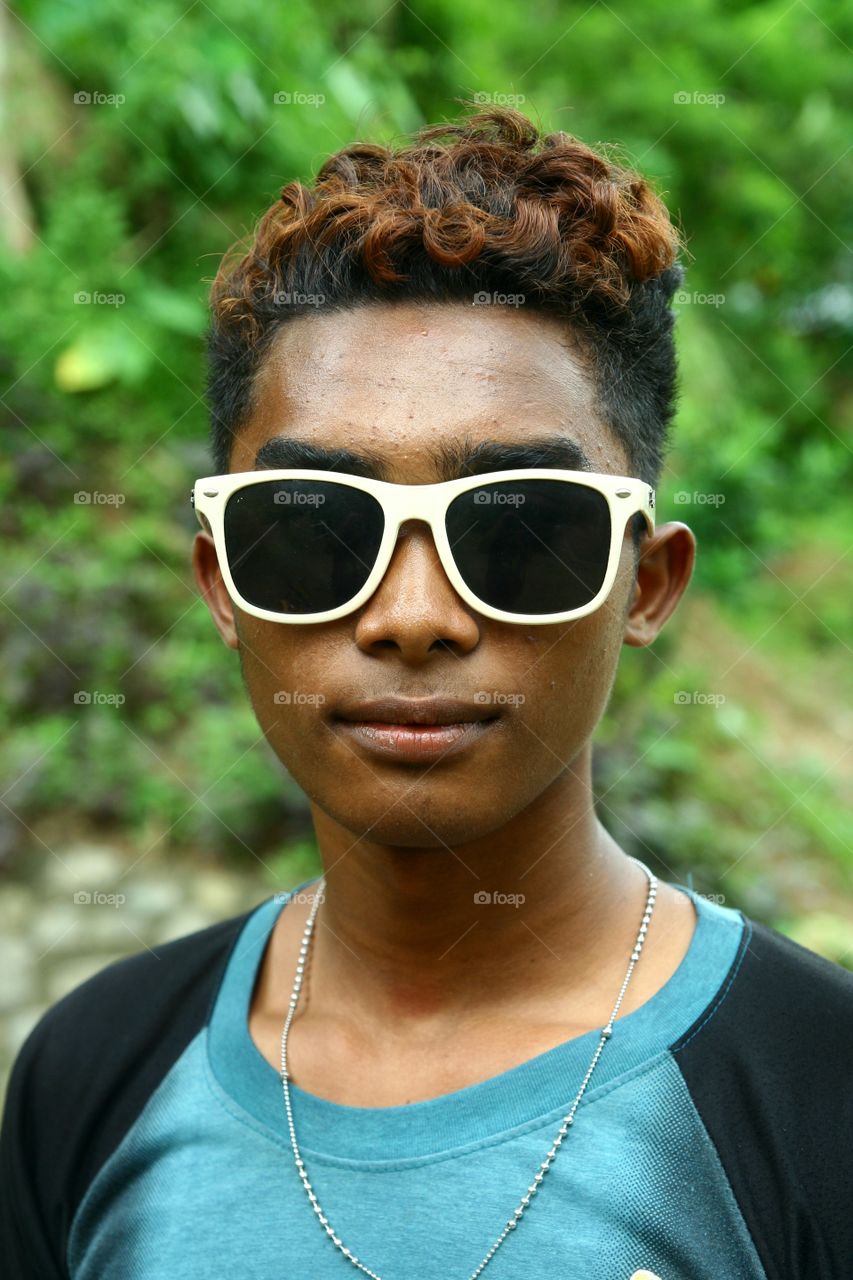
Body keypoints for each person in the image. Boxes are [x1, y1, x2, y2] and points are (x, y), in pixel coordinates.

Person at [1, 103, 851, 1280]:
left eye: (518, 530)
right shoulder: (94, 1075)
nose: (412, 615)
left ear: (645, 583)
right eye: (315, 530)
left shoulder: (817, 1090)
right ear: (223, 583)